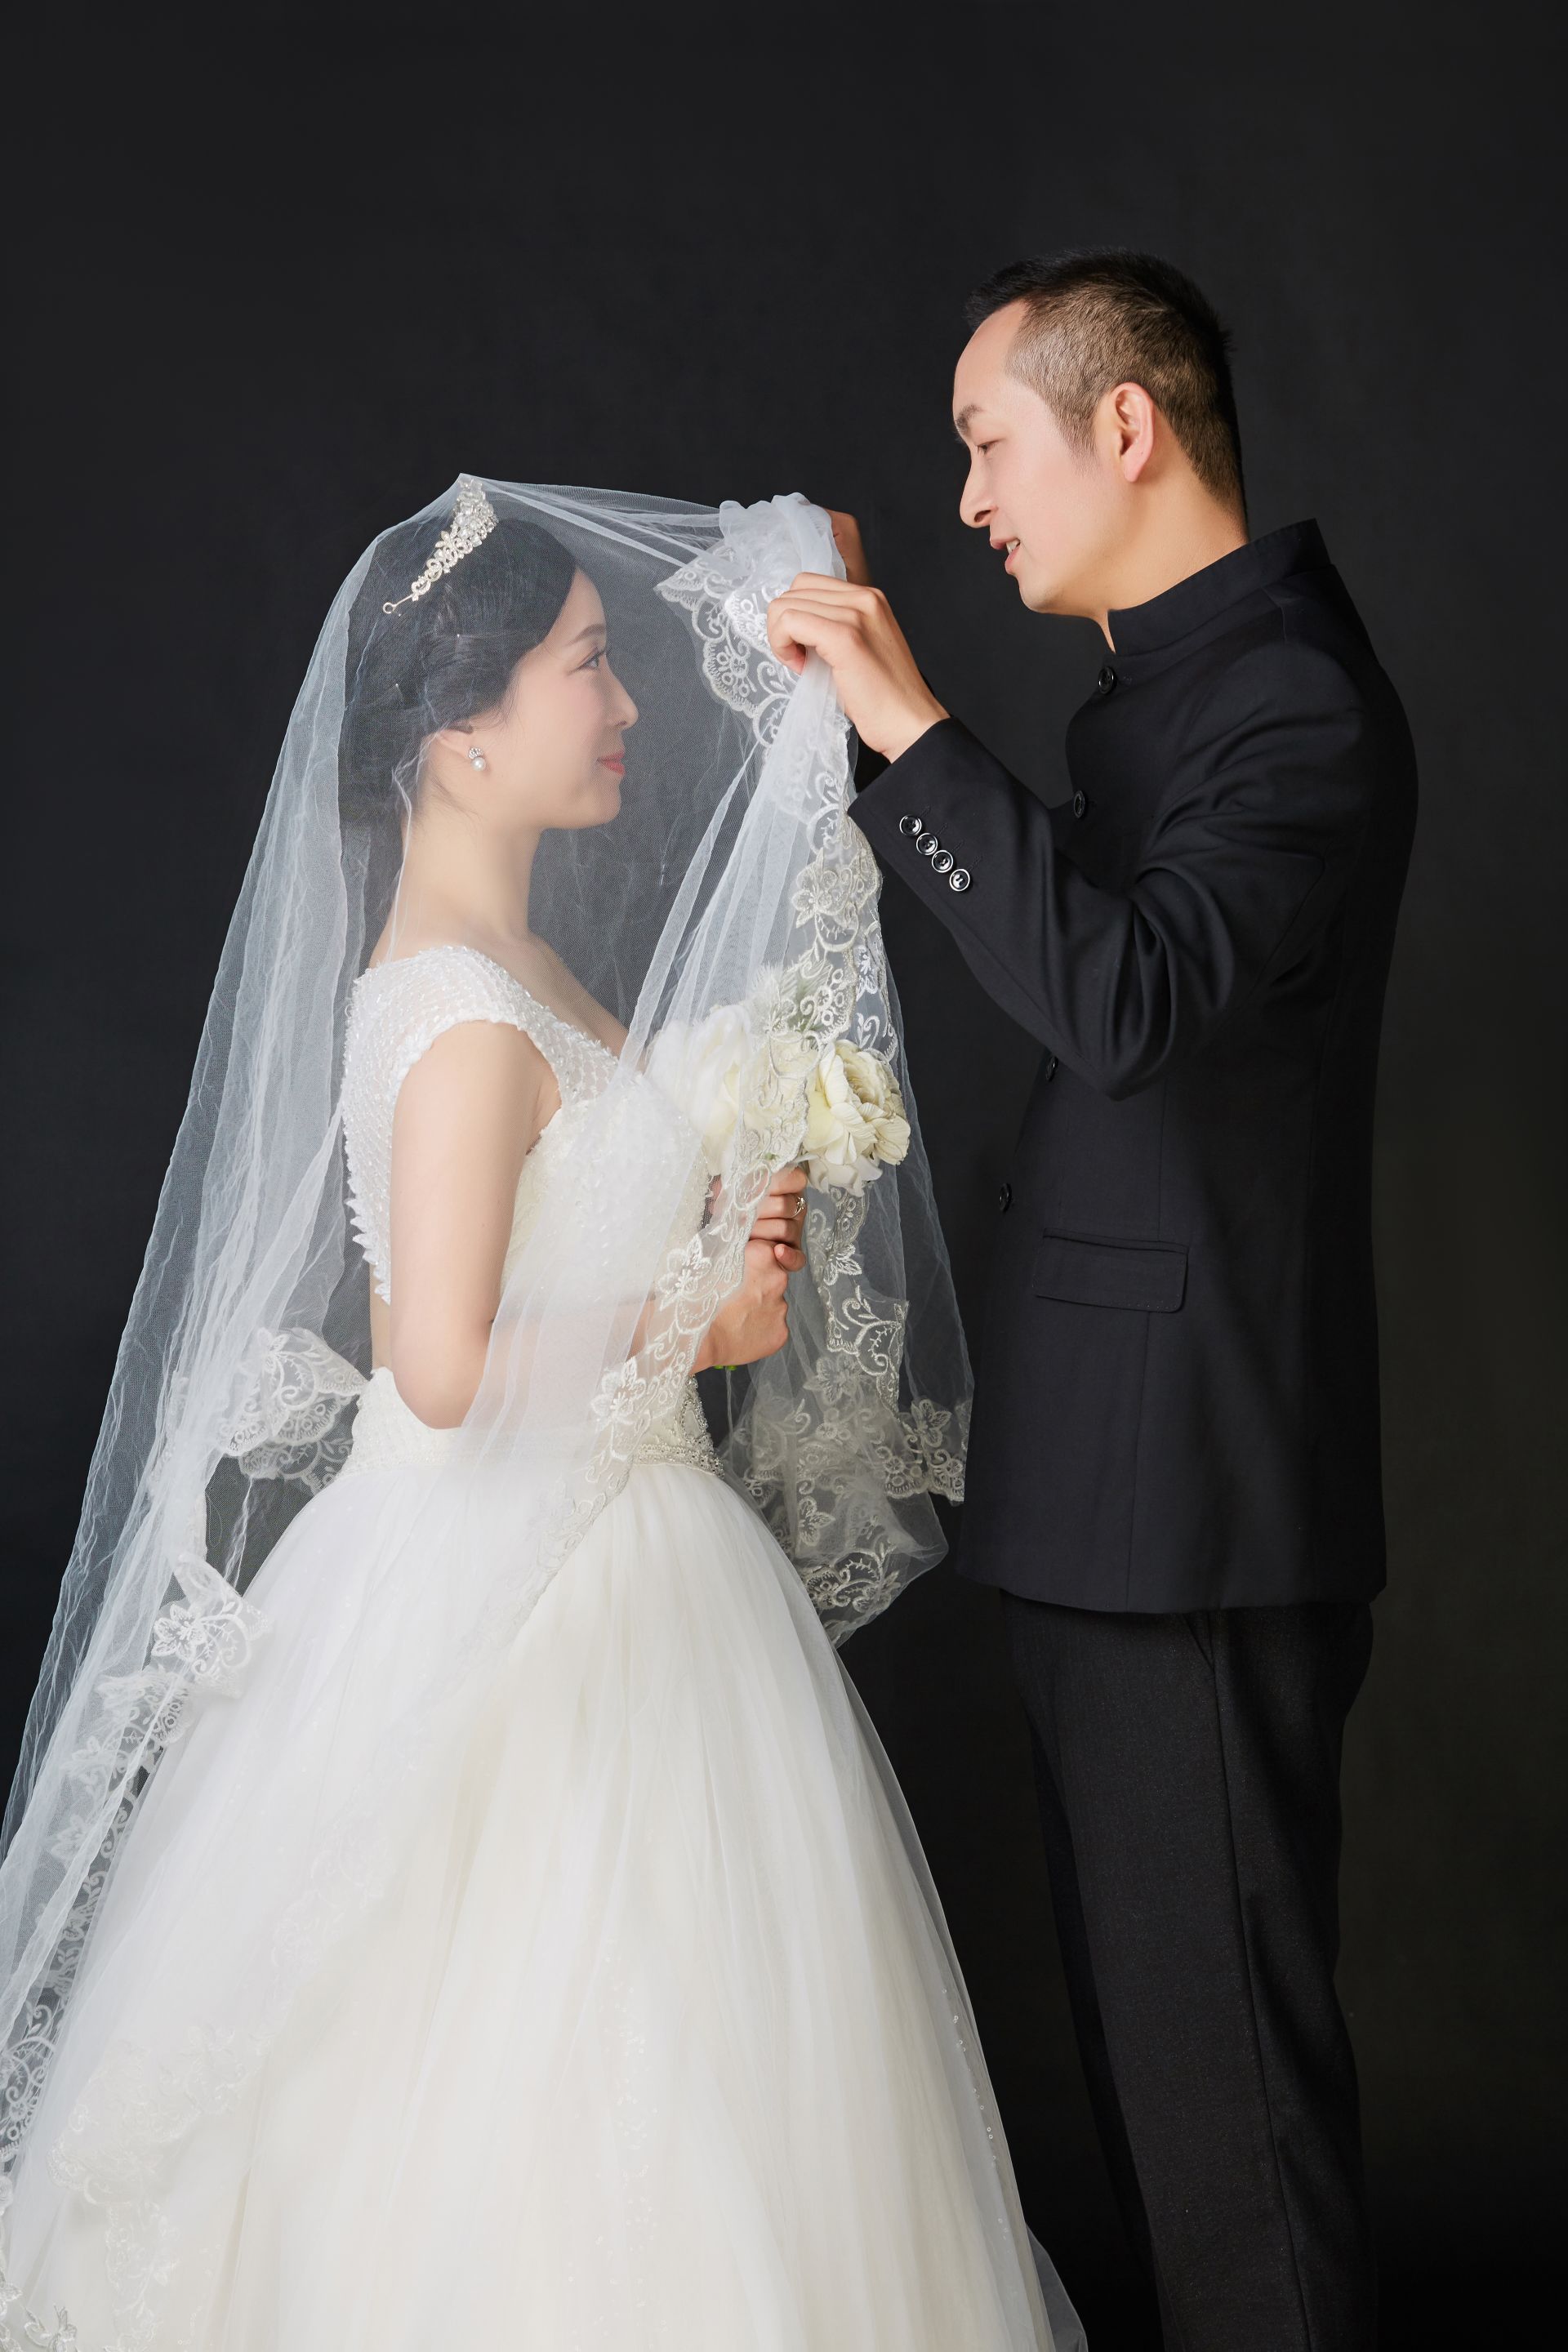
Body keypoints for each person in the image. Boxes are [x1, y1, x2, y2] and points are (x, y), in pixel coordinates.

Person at [0, 483, 1083, 2347]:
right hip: (532, 1584)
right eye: (589, 665)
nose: (628, 702)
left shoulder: (519, 973)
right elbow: (434, 1363)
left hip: (611, 1538)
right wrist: (693, 1319)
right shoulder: (456, 1012)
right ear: (462, 734)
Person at [768, 251, 1417, 2352]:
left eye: (988, 444)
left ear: (1124, 425)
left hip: (1191, 1522)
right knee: (1163, 2112)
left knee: (1231, 2143)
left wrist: (912, 726)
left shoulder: (1294, 700)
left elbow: (1122, 1004)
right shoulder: (1167, 694)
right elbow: (1089, 945)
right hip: (1109, 1511)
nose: (968, 499)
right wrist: (861, 728)